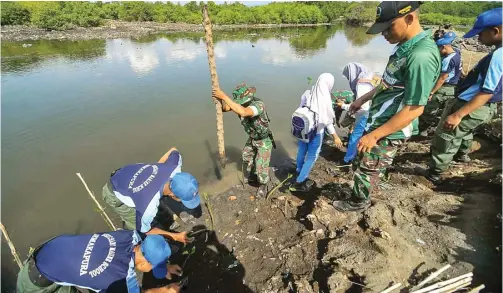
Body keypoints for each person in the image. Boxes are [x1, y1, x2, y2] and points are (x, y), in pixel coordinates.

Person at [332, 1, 441, 212]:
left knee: (368, 168)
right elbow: (387, 84)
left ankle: (358, 202)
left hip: (390, 128)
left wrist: (374, 136)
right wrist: (362, 99)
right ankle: (364, 189)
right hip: (380, 120)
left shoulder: (420, 57)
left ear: (409, 19)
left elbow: (415, 108)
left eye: (388, 27)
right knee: (364, 162)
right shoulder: (404, 48)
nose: (383, 34)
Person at [422, 8, 502, 183]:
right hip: (485, 107)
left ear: (495, 31)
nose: (478, 38)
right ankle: (462, 155)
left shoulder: (498, 56)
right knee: (465, 131)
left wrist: (458, 114)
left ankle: (436, 172)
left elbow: (488, 91)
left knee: (446, 135)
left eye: (480, 34)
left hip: (472, 103)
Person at [17, 230, 182, 293]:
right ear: (144, 265)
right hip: (36, 278)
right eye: (154, 266)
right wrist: (166, 291)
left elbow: (149, 240)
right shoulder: (120, 280)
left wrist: (164, 266)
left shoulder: (129, 236)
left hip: (54, 246)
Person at [102, 147, 201, 239]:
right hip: (114, 192)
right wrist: (175, 236)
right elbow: (146, 231)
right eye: (181, 199)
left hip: (125, 174)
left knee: (151, 201)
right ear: (172, 194)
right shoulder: (148, 205)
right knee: (136, 227)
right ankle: (131, 239)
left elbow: (173, 150)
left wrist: (158, 170)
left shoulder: (173, 167)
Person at [212, 84, 274, 197]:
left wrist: (224, 96)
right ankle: (253, 176)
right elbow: (226, 108)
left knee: (262, 165)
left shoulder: (258, 105)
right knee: (247, 156)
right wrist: (219, 100)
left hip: (263, 140)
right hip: (253, 138)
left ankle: (263, 184)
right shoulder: (240, 105)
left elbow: (244, 112)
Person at [290, 73, 341, 192]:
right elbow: (327, 121)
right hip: (316, 133)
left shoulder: (307, 93)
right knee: (312, 156)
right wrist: (335, 136)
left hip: (303, 130)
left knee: (302, 150)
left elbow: (301, 107)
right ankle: (300, 181)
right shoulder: (325, 99)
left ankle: (298, 169)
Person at [335, 62, 381, 165]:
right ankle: (359, 155)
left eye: (348, 76)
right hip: (375, 112)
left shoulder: (362, 84)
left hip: (365, 114)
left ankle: (348, 159)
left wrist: (343, 106)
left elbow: (362, 107)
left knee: (355, 136)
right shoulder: (371, 77)